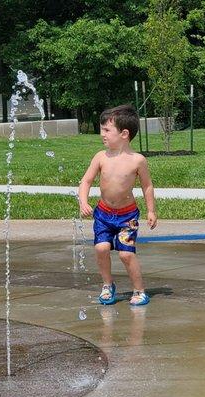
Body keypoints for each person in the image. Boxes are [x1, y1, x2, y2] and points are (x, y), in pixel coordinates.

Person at [78, 104, 157, 306]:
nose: (102, 134)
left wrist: (151, 210)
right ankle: (107, 285)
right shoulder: (100, 157)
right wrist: (83, 201)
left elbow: (147, 186)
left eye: (106, 130)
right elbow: (86, 181)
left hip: (127, 217)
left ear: (124, 134)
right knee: (102, 248)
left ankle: (139, 290)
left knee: (125, 254)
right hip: (103, 214)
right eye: (101, 129)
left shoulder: (137, 161)